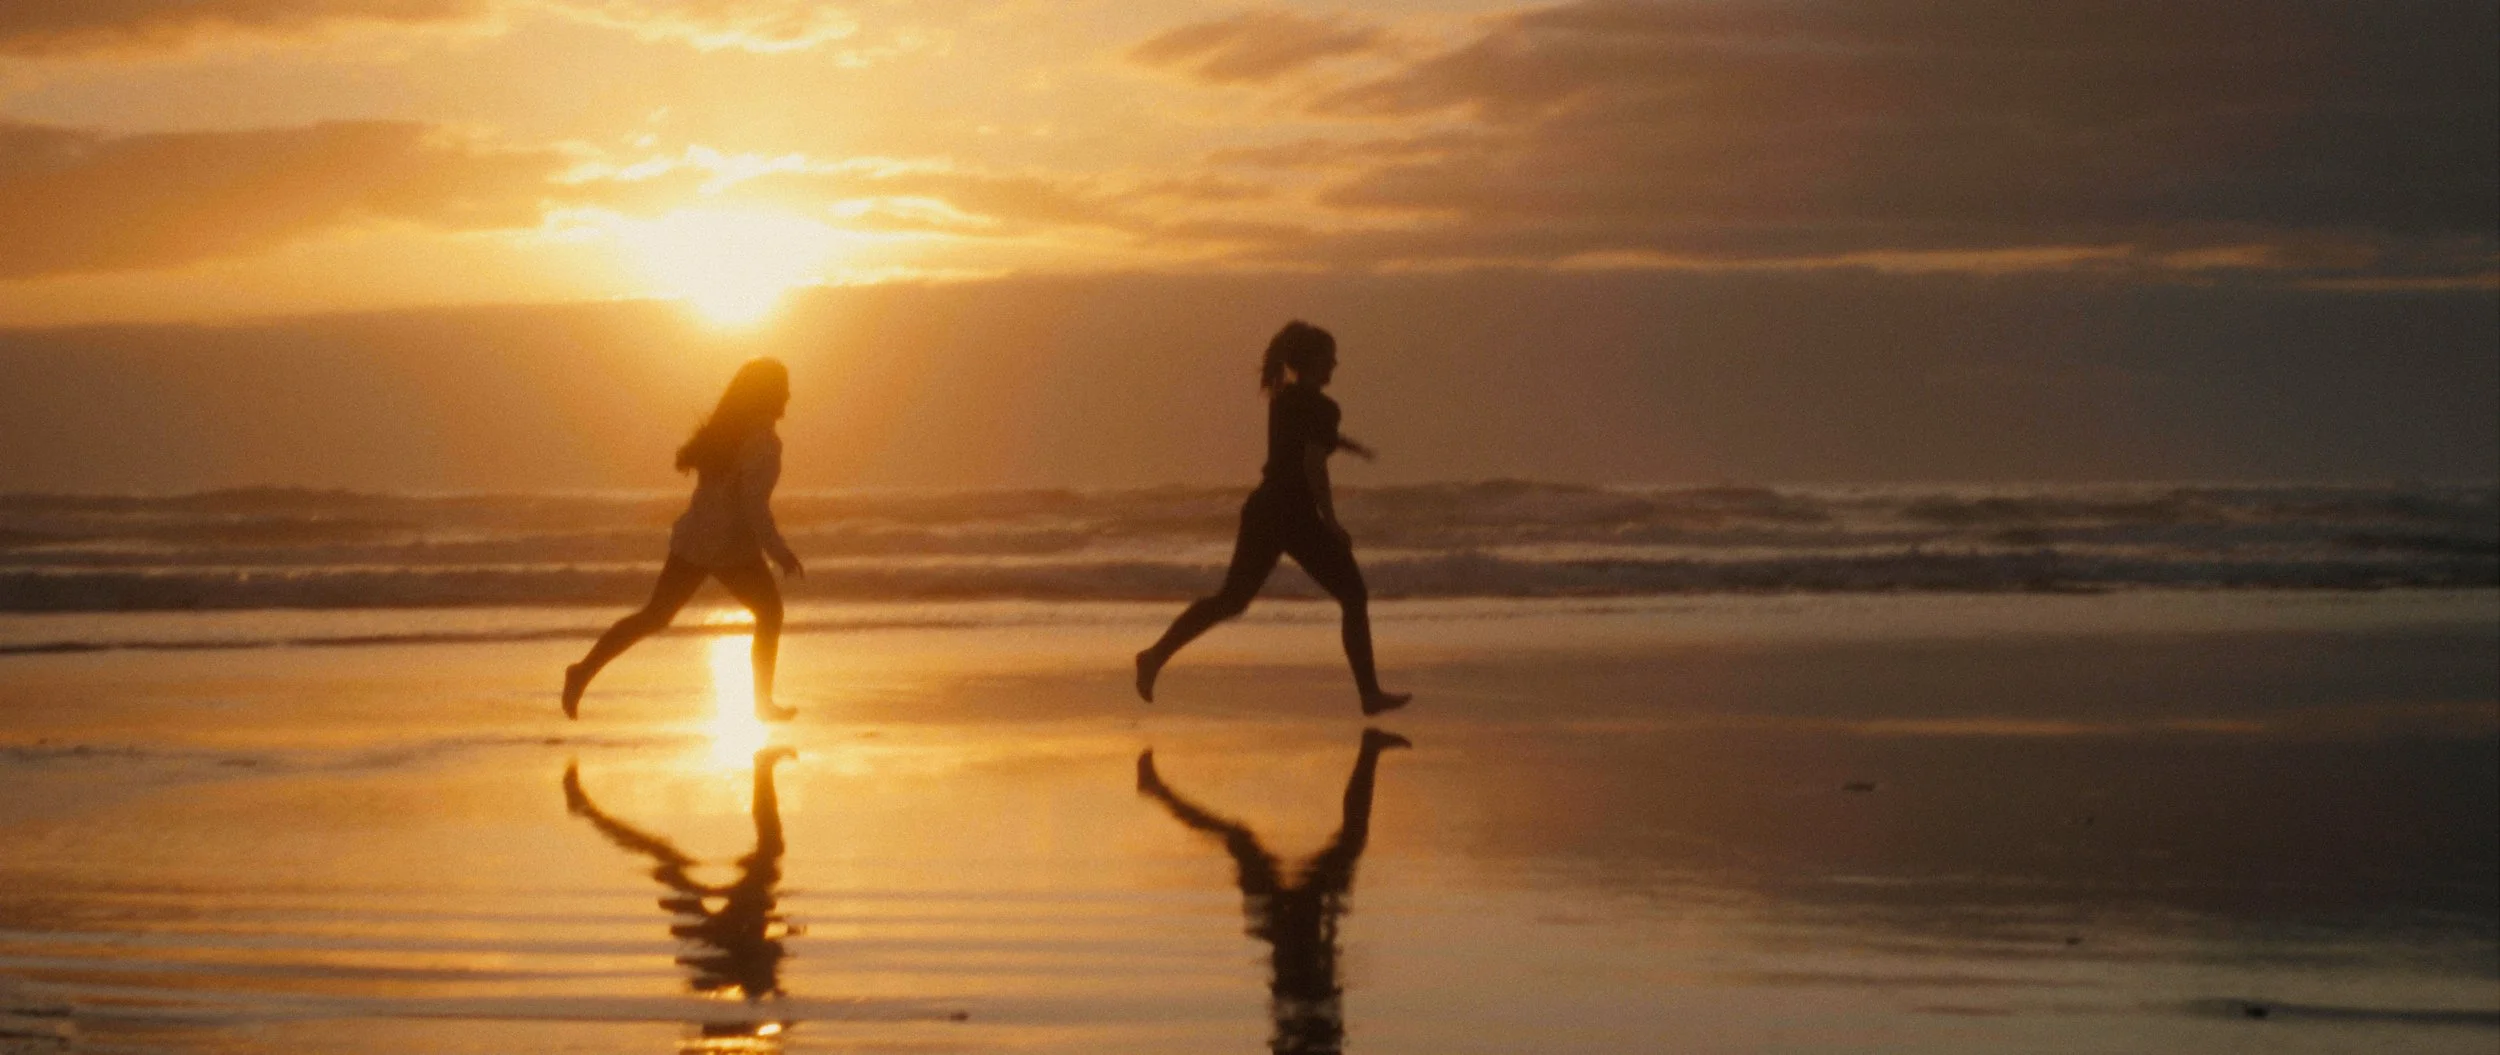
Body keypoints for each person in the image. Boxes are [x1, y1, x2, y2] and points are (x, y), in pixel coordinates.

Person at [1136, 321, 1410, 715]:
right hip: (1294, 515)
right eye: (1330, 356)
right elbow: (1314, 463)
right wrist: (1331, 522)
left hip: (1264, 509)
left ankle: (1154, 656)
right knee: (1353, 594)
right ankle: (1368, 694)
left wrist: (1351, 446)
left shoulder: (1282, 399)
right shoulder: (1324, 408)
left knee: (1231, 600)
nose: (1336, 363)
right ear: (1315, 360)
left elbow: (1304, 439)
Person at [1135, 728, 1411, 1054]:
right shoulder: (1310, 1018)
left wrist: (1326, 915)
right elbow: (1318, 959)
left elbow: (1304, 960)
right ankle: (1370, 750)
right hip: (1293, 916)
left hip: (1286, 916)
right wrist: (1330, 914)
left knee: (1243, 838)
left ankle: (1157, 790)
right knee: (1336, 838)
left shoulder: (1304, 1010)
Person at [564, 357, 804, 721]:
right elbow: (753, 506)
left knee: (654, 616)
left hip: (694, 539)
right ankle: (761, 704)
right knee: (770, 613)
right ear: (767, 393)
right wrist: (780, 553)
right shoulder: (762, 442)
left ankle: (583, 670)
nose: (788, 394)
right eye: (782, 386)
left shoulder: (728, 432)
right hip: (728, 547)